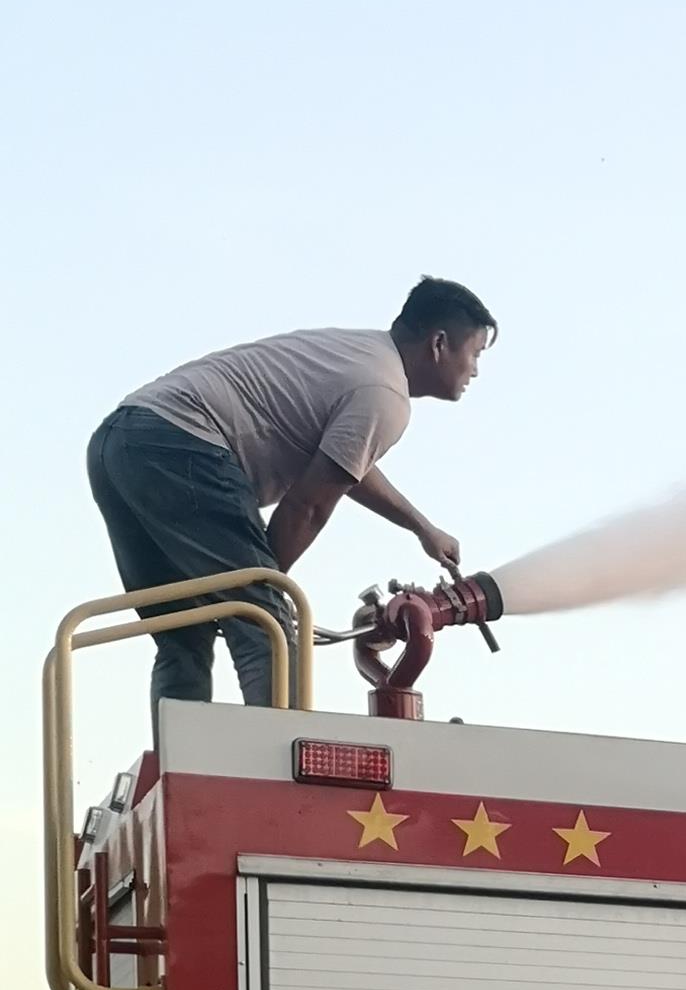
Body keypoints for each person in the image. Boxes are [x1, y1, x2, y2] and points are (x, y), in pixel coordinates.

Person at [86, 278, 497, 709]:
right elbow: (309, 505)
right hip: (182, 444)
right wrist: (259, 589)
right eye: (475, 353)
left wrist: (422, 528)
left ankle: (180, 767)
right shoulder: (384, 395)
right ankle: (281, 769)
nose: (475, 370)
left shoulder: (362, 357)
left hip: (120, 445)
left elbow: (346, 463)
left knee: (183, 633)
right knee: (270, 628)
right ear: (439, 343)